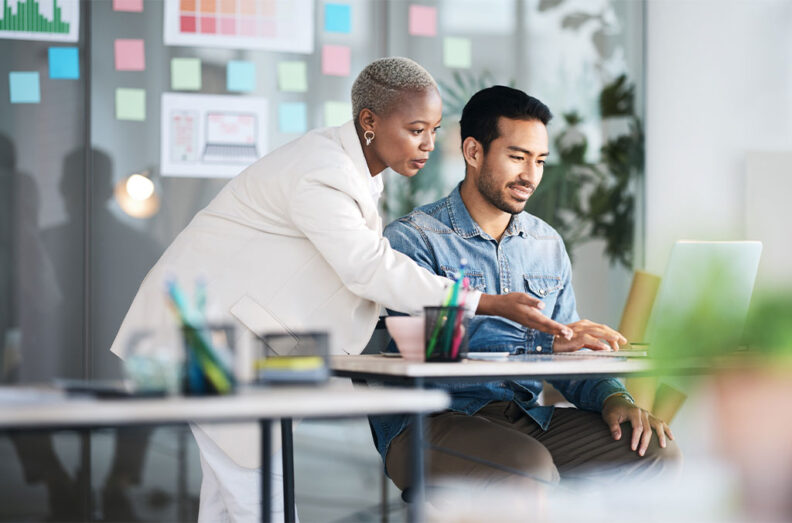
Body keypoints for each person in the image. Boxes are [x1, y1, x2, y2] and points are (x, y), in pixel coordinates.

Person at [110, 59, 573, 521]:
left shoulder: (353, 172)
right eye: (416, 130)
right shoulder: (323, 170)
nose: (429, 145)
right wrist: (487, 302)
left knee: (231, 502)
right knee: (262, 504)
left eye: (433, 130)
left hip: (225, 343)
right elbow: (367, 267)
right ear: (369, 121)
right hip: (201, 342)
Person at [370, 86, 681, 493]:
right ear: (473, 152)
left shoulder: (546, 244)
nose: (530, 176)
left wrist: (614, 399)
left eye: (540, 161)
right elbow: (432, 352)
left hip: (525, 419)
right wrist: (543, 343)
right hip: (430, 421)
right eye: (517, 157)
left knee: (655, 451)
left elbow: (571, 353)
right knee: (527, 465)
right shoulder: (414, 240)